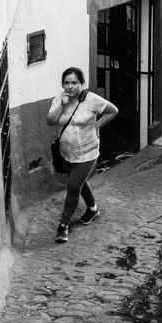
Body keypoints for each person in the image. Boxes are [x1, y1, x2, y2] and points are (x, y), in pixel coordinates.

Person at [47, 67, 118, 243]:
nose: (70, 86)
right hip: (66, 152)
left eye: (74, 83)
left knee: (72, 187)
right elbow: (50, 121)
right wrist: (62, 105)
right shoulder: (59, 98)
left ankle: (63, 226)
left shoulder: (92, 100)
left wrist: (97, 126)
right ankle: (93, 209)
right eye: (66, 83)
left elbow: (113, 111)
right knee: (78, 180)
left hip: (88, 152)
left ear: (81, 84)